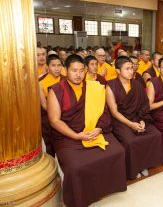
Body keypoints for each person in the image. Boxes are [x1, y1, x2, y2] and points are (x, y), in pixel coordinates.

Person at [47, 54, 126, 207]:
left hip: (93, 130)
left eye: (81, 70)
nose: (78, 74)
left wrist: (98, 128)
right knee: (76, 166)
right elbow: (54, 120)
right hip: (68, 136)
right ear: (65, 71)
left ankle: (106, 187)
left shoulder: (94, 87)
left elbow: (104, 111)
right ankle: (81, 196)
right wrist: (77, 135)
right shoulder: (56, 91)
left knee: (117, 151)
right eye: (74, 71)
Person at [106, 56, 163, 179]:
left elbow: (144, 105)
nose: (131, 71)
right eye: (127, 69)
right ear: (117, 71)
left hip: (138, 116)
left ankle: (144, 164)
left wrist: (142, 120)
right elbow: (114, 112)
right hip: (120, 120)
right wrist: (131, 124)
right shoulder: (111, 86)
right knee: (130, 141)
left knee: (155, 134)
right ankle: (134, 168)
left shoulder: (136, 84)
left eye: (132, 68)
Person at [39, 54, 65, 157]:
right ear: (47, 66)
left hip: (65, 113)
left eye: (59, 65)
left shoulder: (65, 80)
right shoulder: (41, 82)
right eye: (53, 65)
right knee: (50, 144)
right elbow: (44, 104)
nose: (57, 68)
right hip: (48, 115)